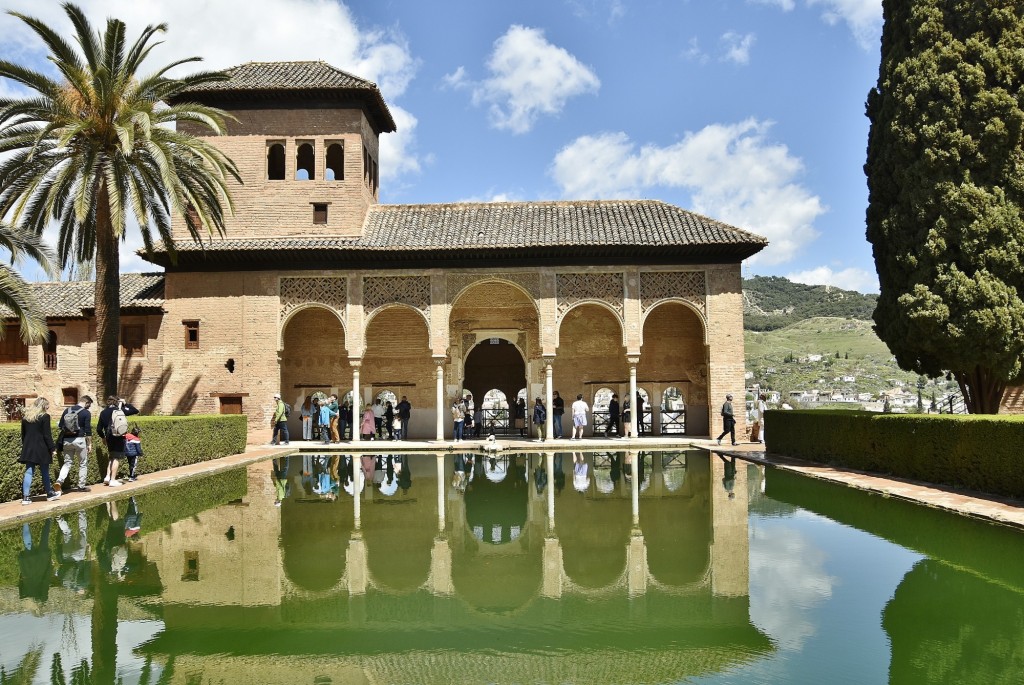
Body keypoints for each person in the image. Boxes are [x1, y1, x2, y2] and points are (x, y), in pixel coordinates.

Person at [18, 398, 61, 504]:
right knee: (45, 471)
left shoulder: (26, 418)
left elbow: (23, 435)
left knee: (29, 471)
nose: (48, 407)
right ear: (43, 406)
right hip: (42, 448)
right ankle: (50, 493)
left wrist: (26, 446)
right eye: (47, 405)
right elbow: (47, 435)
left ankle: (25, 497)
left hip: (29, 448)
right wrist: (52, 448)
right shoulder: (45, 417)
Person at [97, 395, 140, 486]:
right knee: (116, 458)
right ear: (117, 402)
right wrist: (125, 403)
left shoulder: (103, 413)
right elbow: (135, 410)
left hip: (109, 437)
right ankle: (113, 480)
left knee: (111, 457)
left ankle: (107, 477)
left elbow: (99, 429)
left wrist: (103, 437)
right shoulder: (119, 411)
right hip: (119, 436)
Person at [58, 395, 94, 493]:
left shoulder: (67, 410)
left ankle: (59, 482)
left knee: (67, 463)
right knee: (83, 463)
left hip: (67, 440)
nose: (89, 407)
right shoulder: (86, 413)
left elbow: (61, 425)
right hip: (80, 440)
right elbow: (88, 430)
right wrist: (89, 444)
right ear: (86, 402)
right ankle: (81, 486)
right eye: (89, 405)